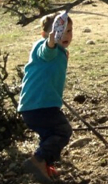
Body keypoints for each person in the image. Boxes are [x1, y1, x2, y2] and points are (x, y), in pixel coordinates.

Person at [19, 13, 75, 184]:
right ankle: (37, 160)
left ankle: (45, 165)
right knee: (62, 131)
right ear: (45, 35)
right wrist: (51, 42)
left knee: (49, 135)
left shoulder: (61, 51)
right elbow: (47, 52)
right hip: (38, 105)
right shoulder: (43, 48)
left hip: (41, 105)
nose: (65, 35)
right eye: (59, 31)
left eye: (69, 31)